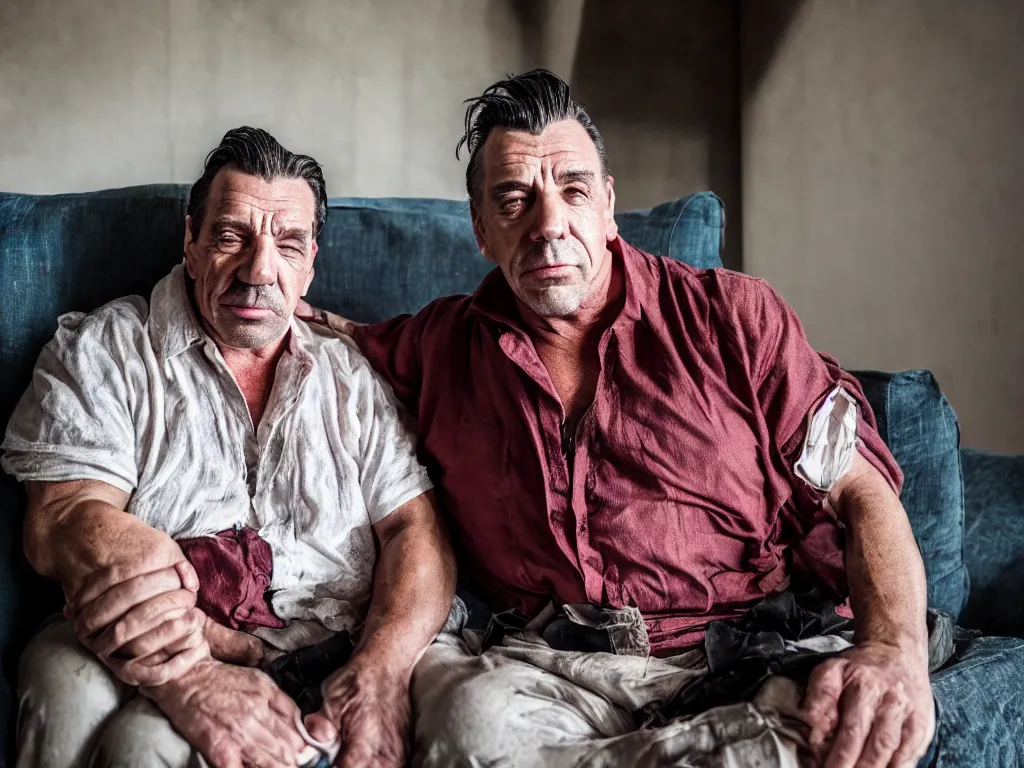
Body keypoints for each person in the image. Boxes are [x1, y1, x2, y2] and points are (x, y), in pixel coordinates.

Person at [300, 70, 1024, 767]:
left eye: (573, 190)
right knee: (464, 727)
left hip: (741, 655)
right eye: (514, 198)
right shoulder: (439, 345)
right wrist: (256, 289)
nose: (549, 224)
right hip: (552, 667)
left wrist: (890, 651)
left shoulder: (736, 317)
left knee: (812, 737)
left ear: (608, 205)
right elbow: (322, 329)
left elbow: (863, 493)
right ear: (481, 229)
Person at [1, 127, 456, 768]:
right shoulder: (106, 350)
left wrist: (379, 672)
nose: (258, 270)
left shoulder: (351, 377)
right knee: (74, 694)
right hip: (143, 627)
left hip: (328, 642)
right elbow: (64, 521)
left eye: (288, 244)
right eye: (232, 236)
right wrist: (191, 672)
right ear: (191, 242)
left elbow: (415, 529)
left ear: (311, 264)